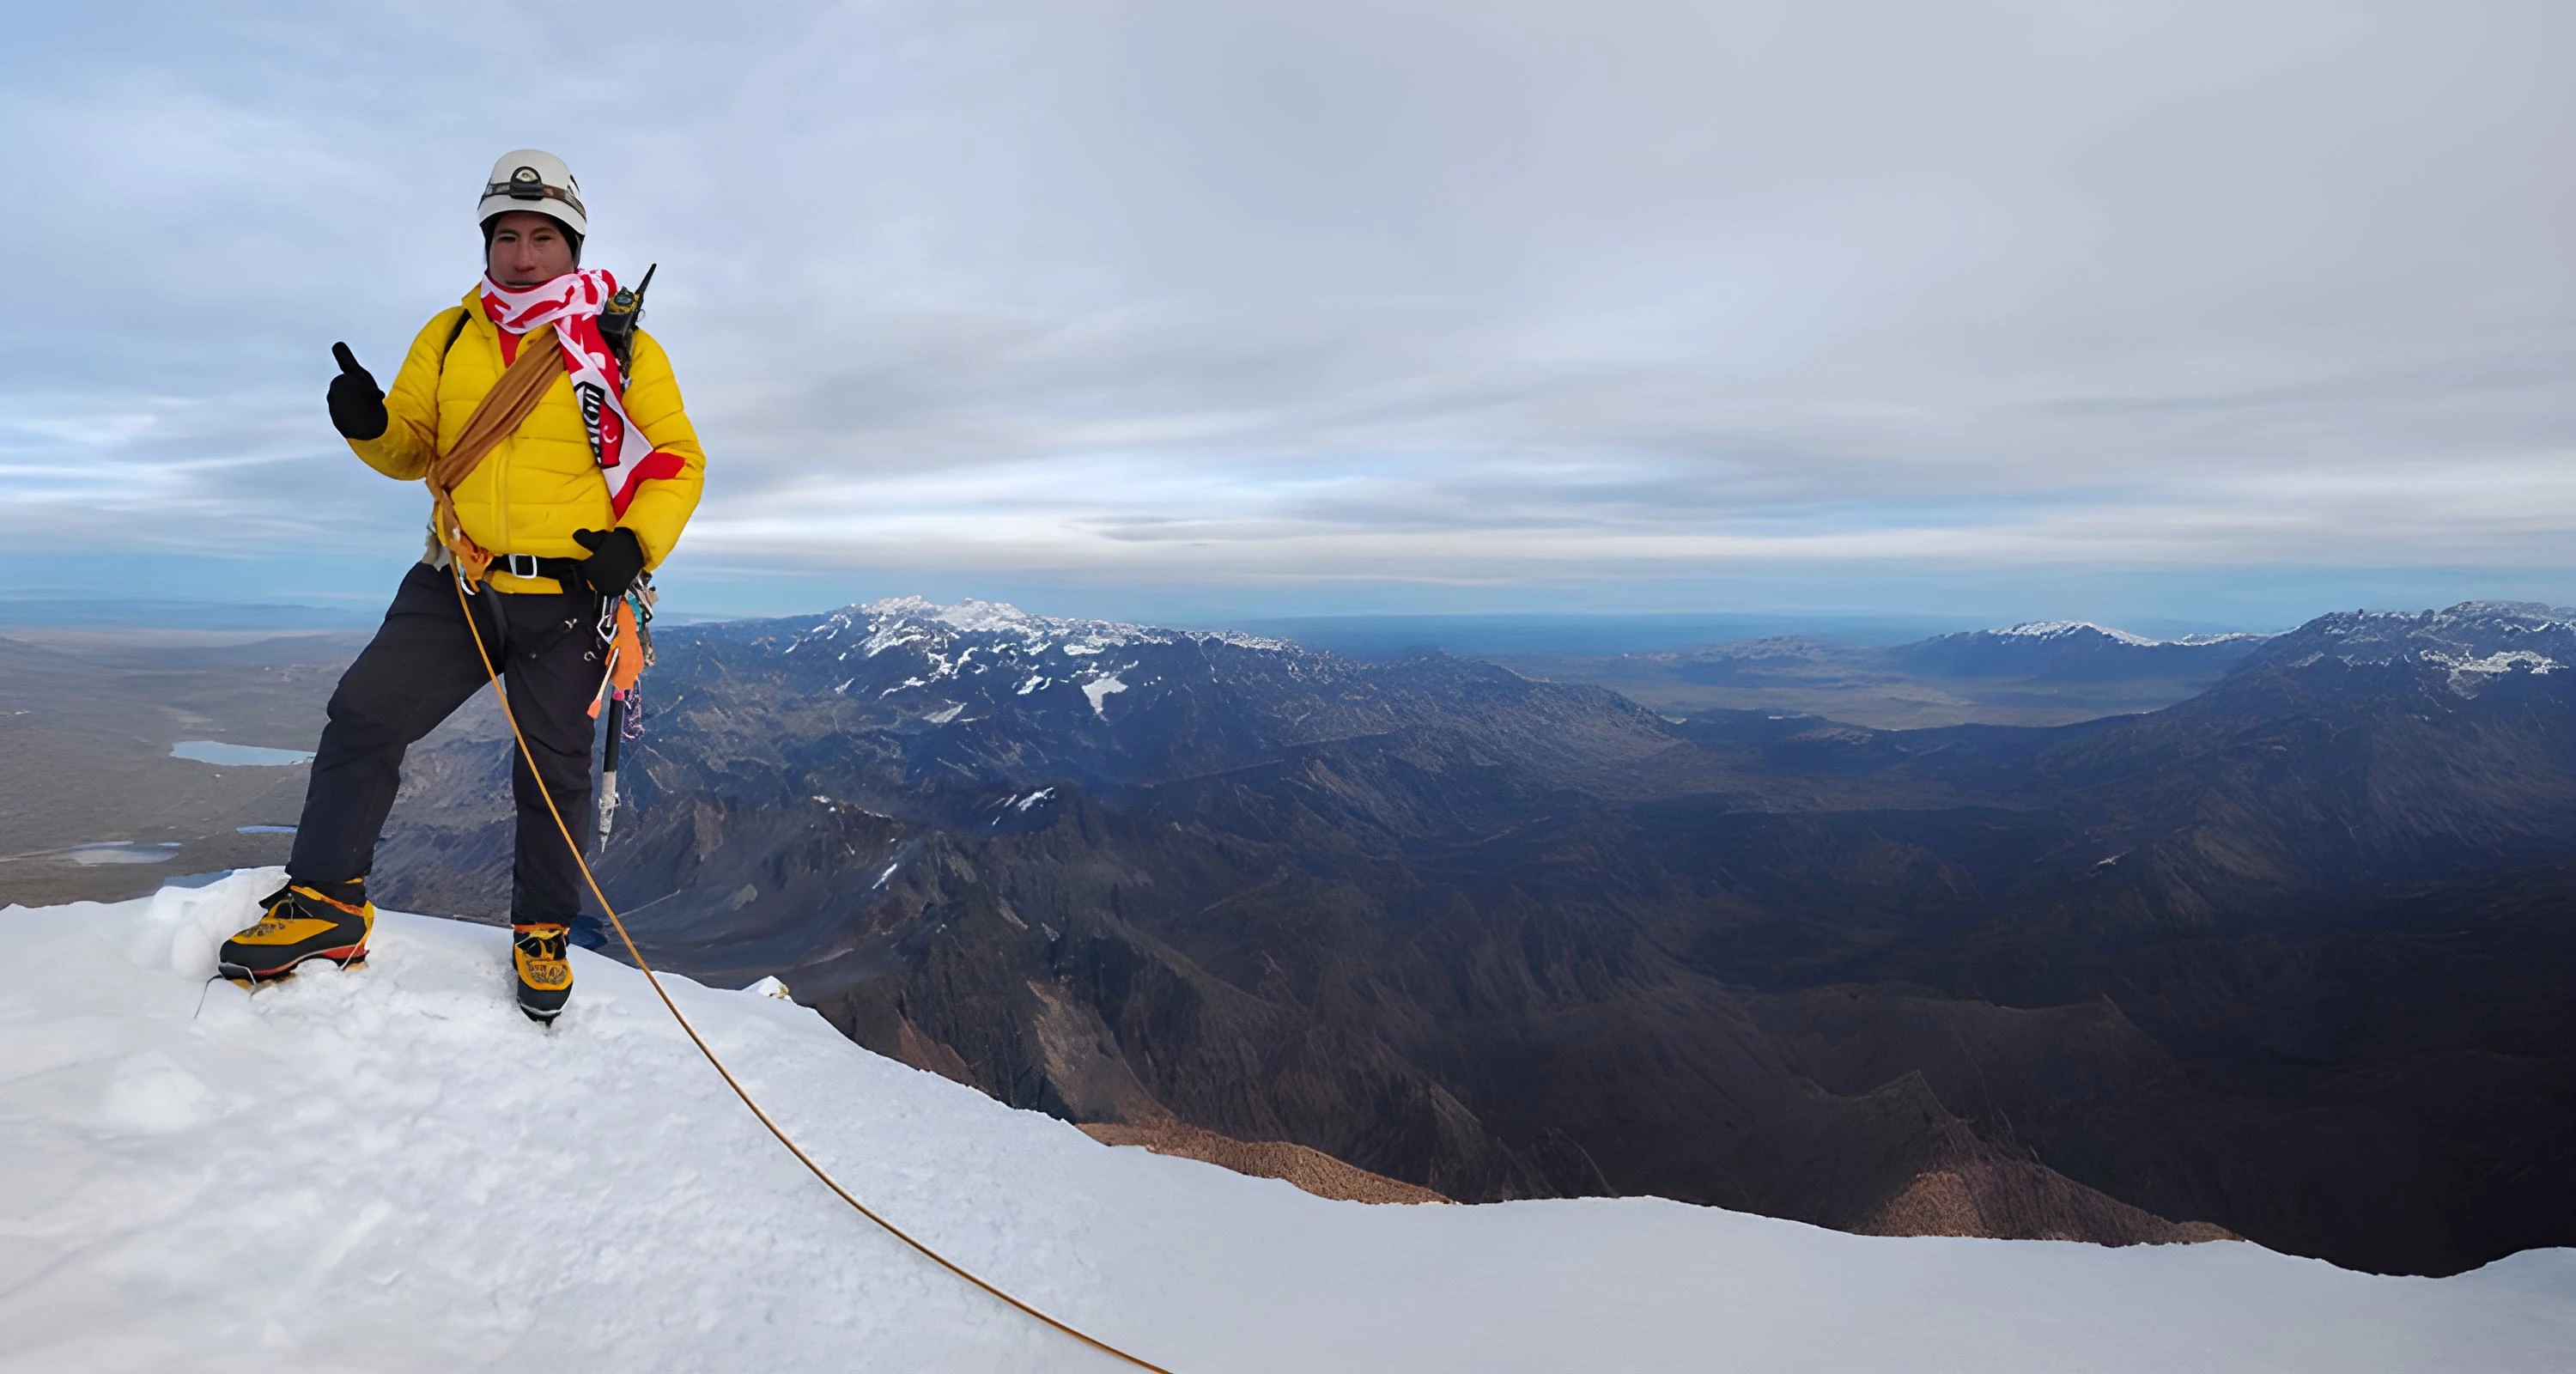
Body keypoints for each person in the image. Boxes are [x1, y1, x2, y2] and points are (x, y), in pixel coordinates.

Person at [216, 149, 706, 1023]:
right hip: (461, 578)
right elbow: (414, 448)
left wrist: (635, 545)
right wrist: (369, 426)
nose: (523, 256)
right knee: (365, 713)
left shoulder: (619, 346)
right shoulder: (449, 336)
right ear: (488, 244)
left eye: (543, 238)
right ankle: (327, 902)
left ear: (573, 246)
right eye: (507, 237)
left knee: (552, 770)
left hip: (572, 595)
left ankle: (542, 929)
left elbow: (675, 460)